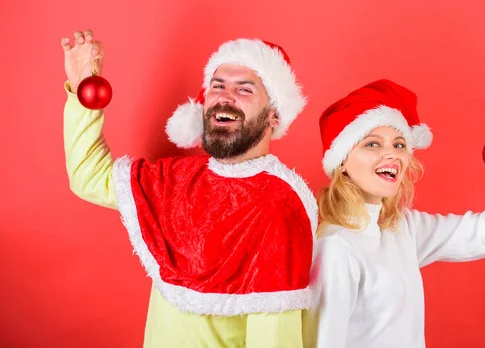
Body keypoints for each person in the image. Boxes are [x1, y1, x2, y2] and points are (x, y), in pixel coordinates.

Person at [61, 29, 317, 348]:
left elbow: (275, 338)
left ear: (274, 115)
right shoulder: (174, 179)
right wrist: (82, 90)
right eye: (218, 85)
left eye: (245, 89)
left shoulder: (281, 206)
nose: (225, 96)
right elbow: (88, 176)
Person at [303, 79, 485, 347]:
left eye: (398, 145)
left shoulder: (402, 227)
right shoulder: (336, 247)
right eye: (372, 144)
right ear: (342, 163)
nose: (392, 155)